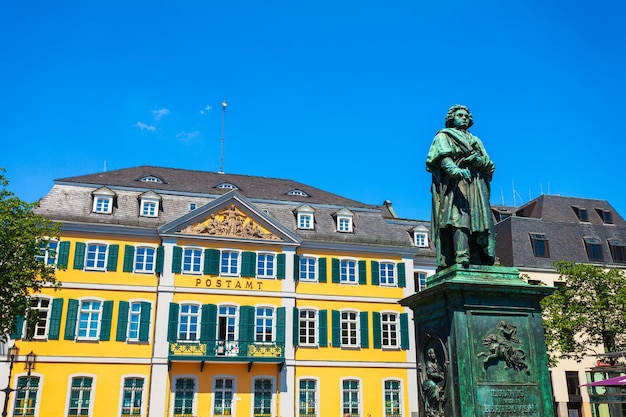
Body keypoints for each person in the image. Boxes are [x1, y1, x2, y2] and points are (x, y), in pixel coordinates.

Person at [426, 104, 496, 270]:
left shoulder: (476, 140)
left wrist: (478, 161)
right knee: (459, 219)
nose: (464, 117)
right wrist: (456, 171)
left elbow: (490, 164)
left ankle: (477, 257)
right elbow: (443, 158)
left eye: (466, 115)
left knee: (477, 222)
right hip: (455, 185)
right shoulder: (444, 136)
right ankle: (461, 256)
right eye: (460, 115)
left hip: (476, 185)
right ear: (452, 118)